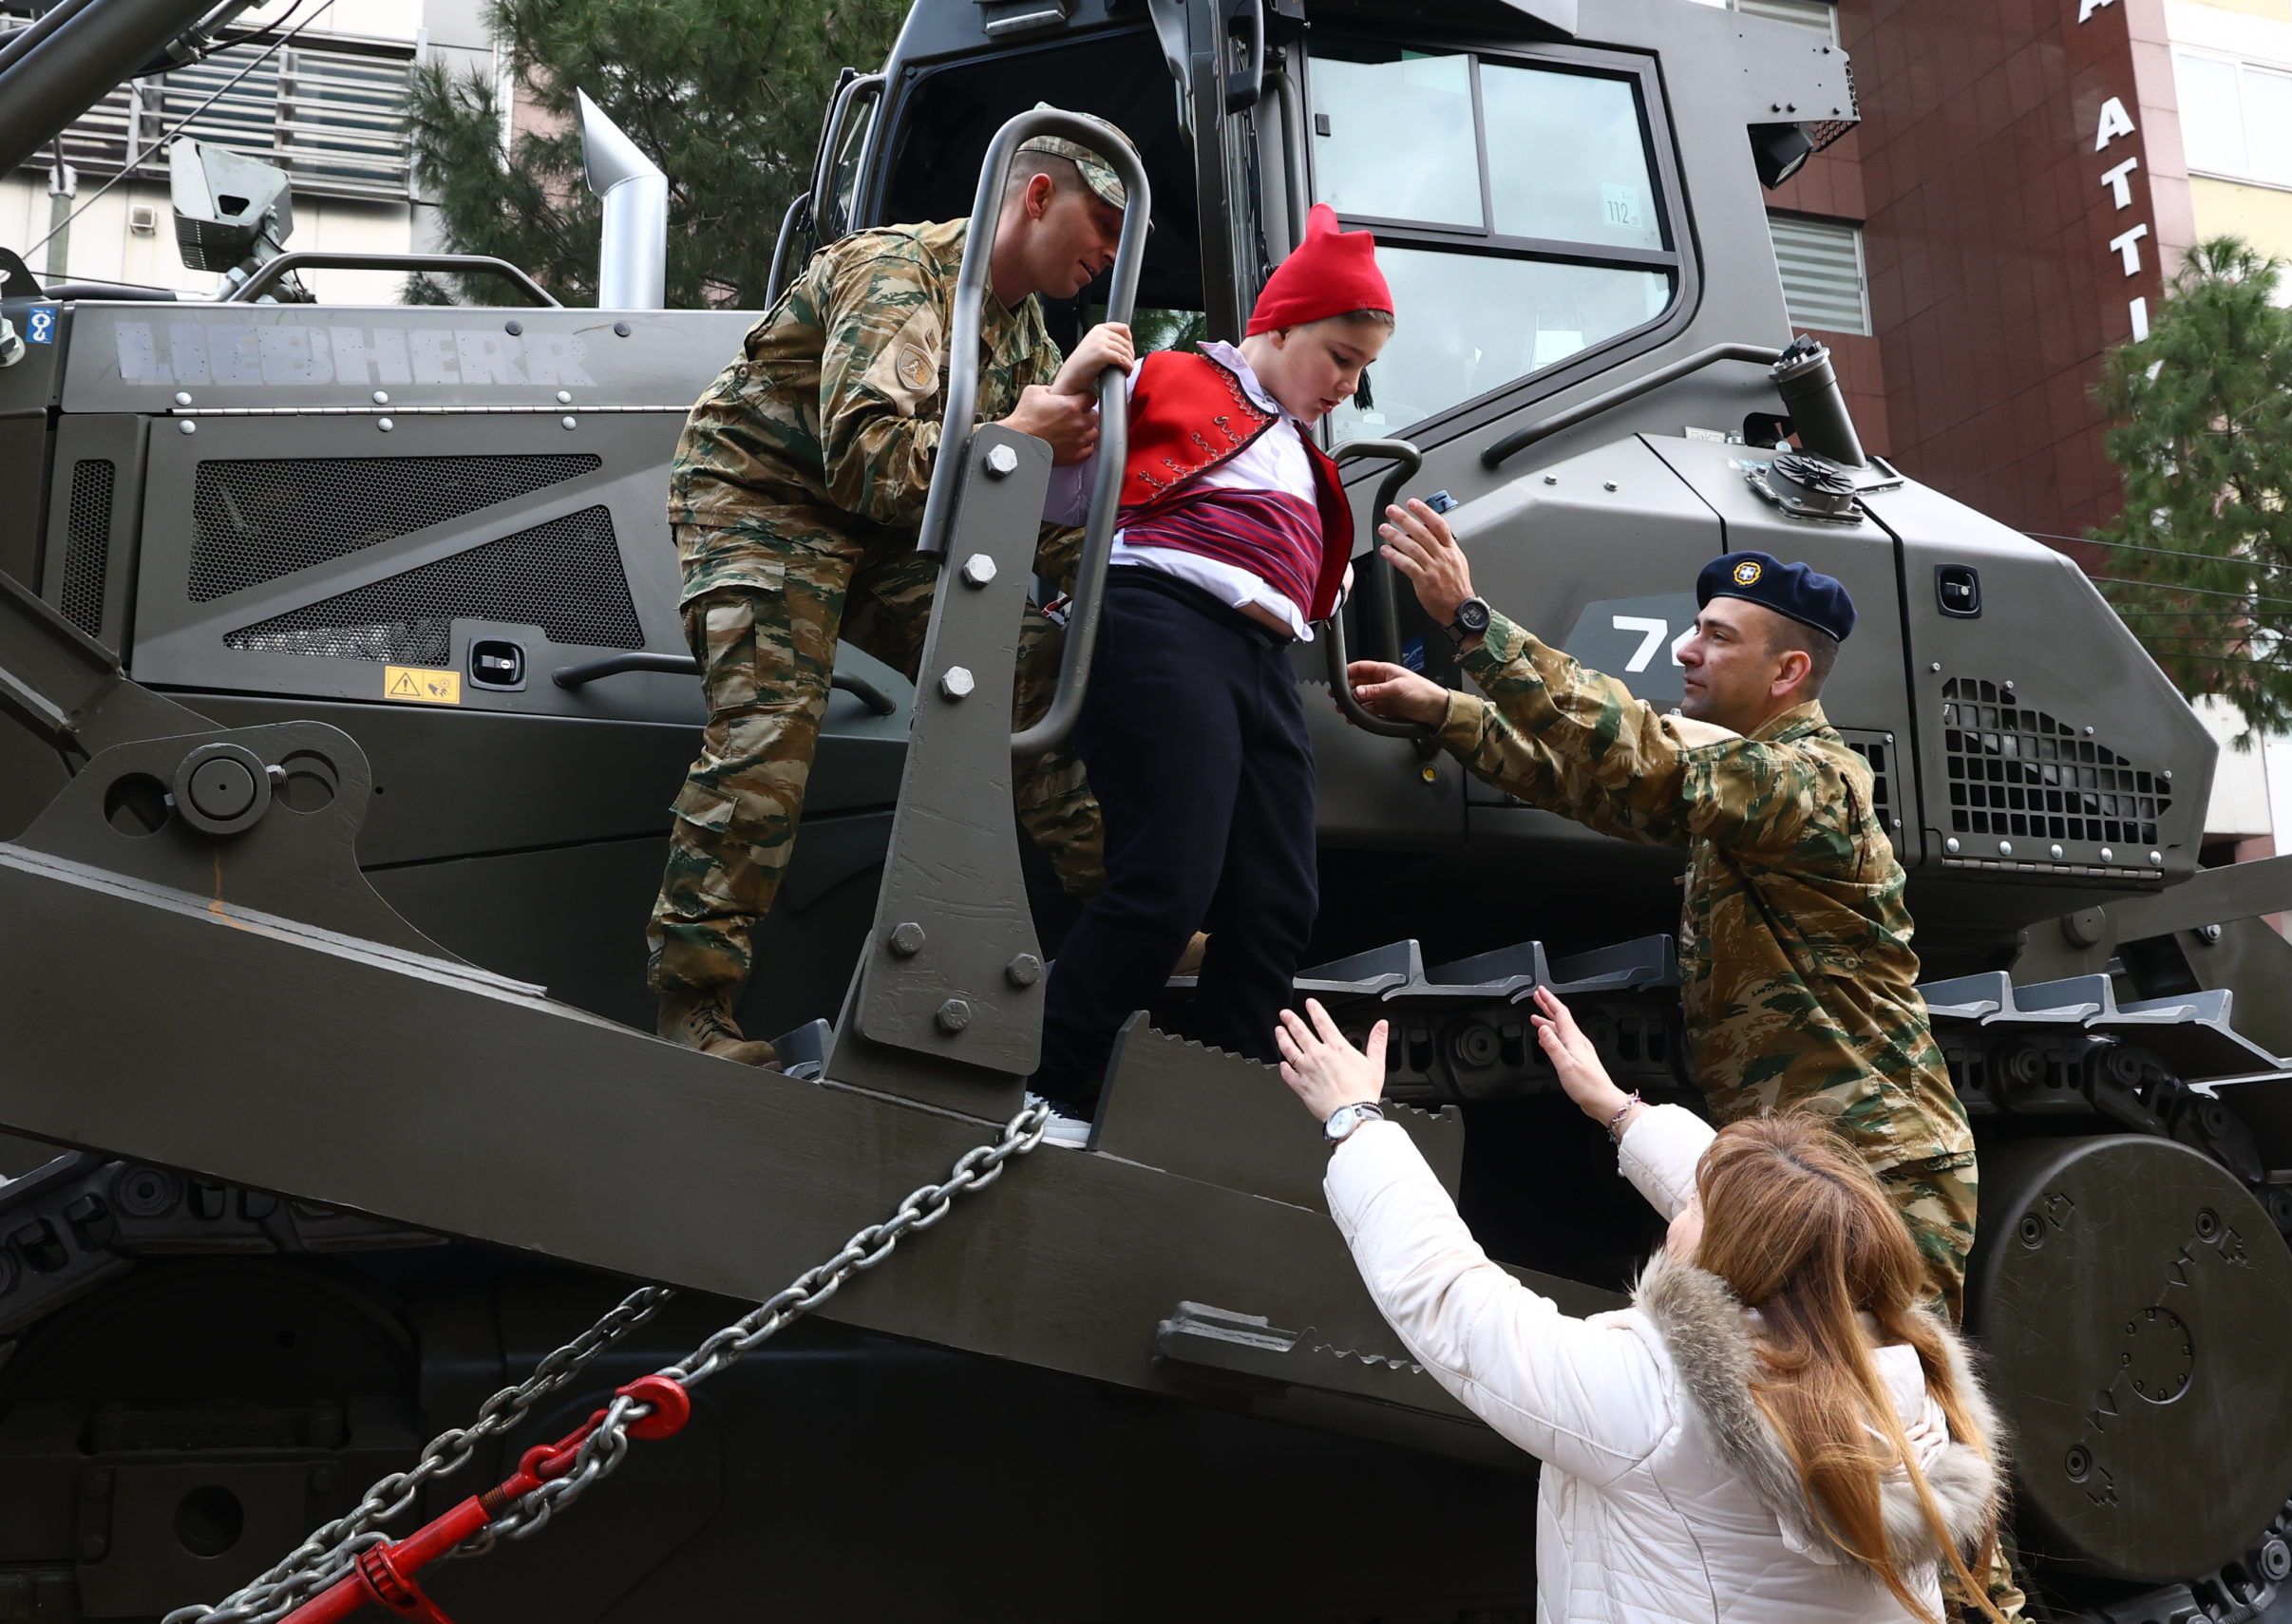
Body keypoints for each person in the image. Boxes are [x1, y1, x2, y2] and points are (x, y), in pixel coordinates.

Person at [1345, 529, 1979, 1317]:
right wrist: (1449, 712)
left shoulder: (1812, 784)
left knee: (1875, 1394)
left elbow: (1650, 757)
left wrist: (1474, 624)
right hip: (1804, 1175)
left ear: (1788, 672)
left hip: (1872, 1175)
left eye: (1718, 637)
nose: (1685, 649)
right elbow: (1592, 787)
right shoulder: (1743, 790)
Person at [1275, 991, 2009, 1624]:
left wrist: (1355, 1122)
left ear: (1729, 1252)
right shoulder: (1905, 1386)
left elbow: (1451, 1298)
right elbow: (1781, 1221)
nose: (1677, 1217)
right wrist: (1619, 1108)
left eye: (1693, 1209)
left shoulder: (1659, 1399)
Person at [648, 121, 1139, 1067]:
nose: (1112, 254)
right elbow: (868, 458)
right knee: (770, 727)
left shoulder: (1024, 335)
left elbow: (1034, 517)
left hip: (888, 530)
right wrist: (1016, 438)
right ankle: (693, 1010)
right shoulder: (898, 274)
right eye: (1104, 224)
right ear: (1038, 196)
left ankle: (1135, 914)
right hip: (765, 498)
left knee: (1027, 666)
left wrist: (1148, 576)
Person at [1023, 204, 1392, 1136]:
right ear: (1281, 326)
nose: (1348, 386)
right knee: (1169, 879)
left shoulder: (1305, 461)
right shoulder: (1169, 375)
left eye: (1362, 369)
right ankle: (1048, 1086)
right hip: (1163, 623)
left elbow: (1302, 576)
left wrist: (1317, 572)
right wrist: (1069, 388)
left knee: (1276, 901)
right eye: (1340, 357)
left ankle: (1213, 1109)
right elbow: (1062, 492)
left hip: (1261, 661)